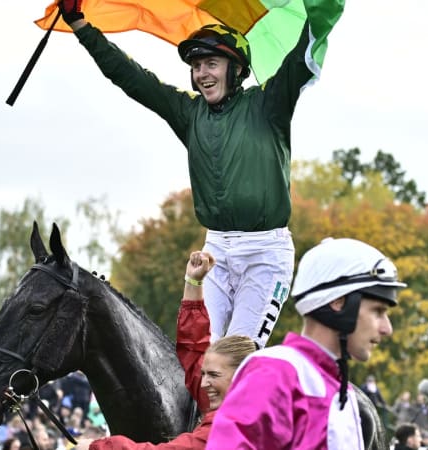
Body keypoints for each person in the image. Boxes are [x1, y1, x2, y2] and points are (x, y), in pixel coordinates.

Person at [57, 0, 343, 348]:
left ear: (236, 69)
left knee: (233, 358)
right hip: (215, 252)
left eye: (211, 63)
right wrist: (80, 25)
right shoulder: (189, 113)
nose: (202, 73)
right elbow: (130, 77)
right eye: (196, 66)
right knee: (199, 355)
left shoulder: (269, 102)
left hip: (265, 253)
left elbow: (306, 46)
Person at [206, 237, 406, 449]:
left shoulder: (343, 396)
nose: (387, 328)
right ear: (338, 302)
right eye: (378, 311)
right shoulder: (274, 372)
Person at [74, 250, 257, 450]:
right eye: (204, 374)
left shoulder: (235, 423)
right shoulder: (224, 391)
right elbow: (193, 349)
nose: (204, 383)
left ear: (242, 376)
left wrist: (99, 447)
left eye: (213, 375)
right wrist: (193, 283)